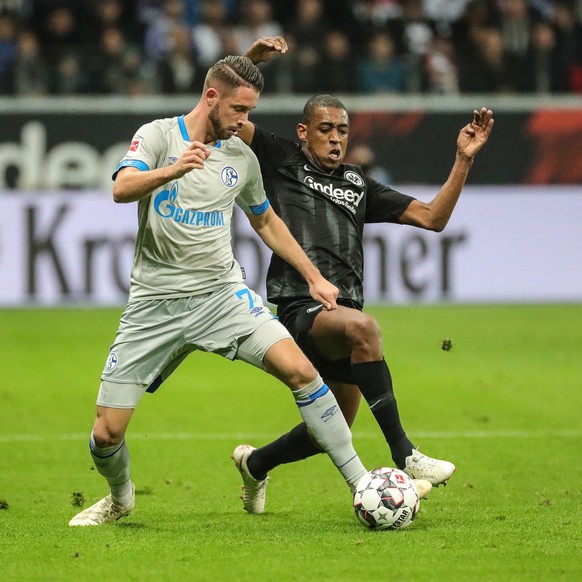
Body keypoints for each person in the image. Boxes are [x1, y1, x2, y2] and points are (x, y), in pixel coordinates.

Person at [68, 54, 371, 526]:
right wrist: (172, 170)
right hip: (155, 304)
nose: (244, 122)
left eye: (250, 111)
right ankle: (120, 498)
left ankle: (362, 485)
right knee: (106, 434)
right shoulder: (159, 136)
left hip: (221, 296)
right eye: (238, 111)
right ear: (211, 98)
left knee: (303, 371)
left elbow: (266, 220)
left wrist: (312, 275)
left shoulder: (240, 157)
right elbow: (121, 188)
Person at [231, 36, 494, 514]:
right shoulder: (279, 157)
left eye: (343, 130)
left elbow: (433, 218)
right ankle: (406, 454)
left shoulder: (357, 184)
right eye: (326, 128)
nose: (336, 137)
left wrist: (463, 159)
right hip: (299, 308)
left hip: (340, 312)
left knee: (331, 429)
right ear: (303, 131)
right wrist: (248, 63)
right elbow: (227, 115)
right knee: (366, 328)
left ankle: (254, 465)